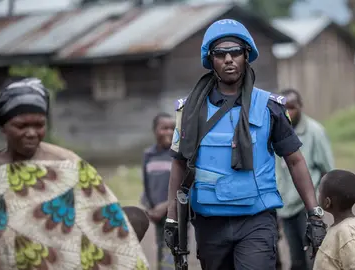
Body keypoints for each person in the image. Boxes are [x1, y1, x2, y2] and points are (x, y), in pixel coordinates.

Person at [164, 19, 327, 270]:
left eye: (236, 52)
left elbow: (295, 161)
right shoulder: (190, 111)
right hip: (209, 223)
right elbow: (178, 165)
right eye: (221, 53)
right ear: (211, 60)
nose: (229, 59)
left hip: (257, 221)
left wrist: (314, 214)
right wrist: (172, 219)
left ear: (246, 56)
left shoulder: (270, 108)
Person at [0, 77, 149, 269]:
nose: (32, 133)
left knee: (135, 217)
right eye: (21, 126)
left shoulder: (66, 162)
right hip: (11, 261)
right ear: (3, 126)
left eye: (39, 125)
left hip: (64, 259)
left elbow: (97, 212)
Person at [276, 89, 334, 270]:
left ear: (301, 107)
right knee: (296, 259)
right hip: (284, 207)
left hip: (306, 206)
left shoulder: (315, 132)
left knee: (314, 258)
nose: (288, 113)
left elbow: (328, 171)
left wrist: (318, 207)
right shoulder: (276, 132)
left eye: (292, 108)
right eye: (284, 108)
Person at [313, 169, 355, 270]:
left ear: (327, 202)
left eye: (319, 192)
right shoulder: (342, 227)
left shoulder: (347, 233)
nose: (318, 194)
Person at [141, 112, 176, 270]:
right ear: (155, 130)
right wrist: (149, 207)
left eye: (172, 128)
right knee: (160, 247)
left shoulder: (178, 155)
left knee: (172, 250)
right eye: (164, 128)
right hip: (156, 214)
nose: (168, 132)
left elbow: (184, 186)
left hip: (176, 213)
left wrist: (166, 206)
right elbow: (146, 184)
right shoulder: (148, 155)